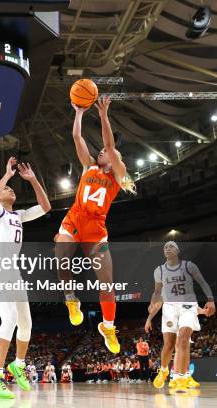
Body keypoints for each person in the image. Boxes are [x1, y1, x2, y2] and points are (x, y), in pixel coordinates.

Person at [55, 96, 136, 354]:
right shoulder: (88, 166)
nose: (102, 152)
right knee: (61, 259)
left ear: (115, 160)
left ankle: (108, 326)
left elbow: (111, 145)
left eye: (107, 153)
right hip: (75, 218)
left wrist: (103, 115)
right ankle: (71, 300)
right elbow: (77, 138)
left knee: (107, 283)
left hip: (96, 230)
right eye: (100, 151)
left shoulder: (117, 175)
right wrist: (79, 112)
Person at [0, 157, 51, 399]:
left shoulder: (19, 215)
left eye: (11, 189)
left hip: (13, 272)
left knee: (26, 324)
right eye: (6, 189)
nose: (9, 190)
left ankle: (18, 364)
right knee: (9, 318)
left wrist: (32, 180)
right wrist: (7, 176)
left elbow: (45, 207)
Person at [145, 241, 215, 392]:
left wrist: (210, 300)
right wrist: (151, 307)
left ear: (177, 250)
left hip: (188, 307)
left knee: (183, 340)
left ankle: (181, 377)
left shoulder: (189, 266)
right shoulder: (160, 271)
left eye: (170, 246)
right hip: (170, 309)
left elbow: (203, 282)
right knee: (169, 345)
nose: (167, 249)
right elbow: (157, 292)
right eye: (165, 247)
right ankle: (164, 370)